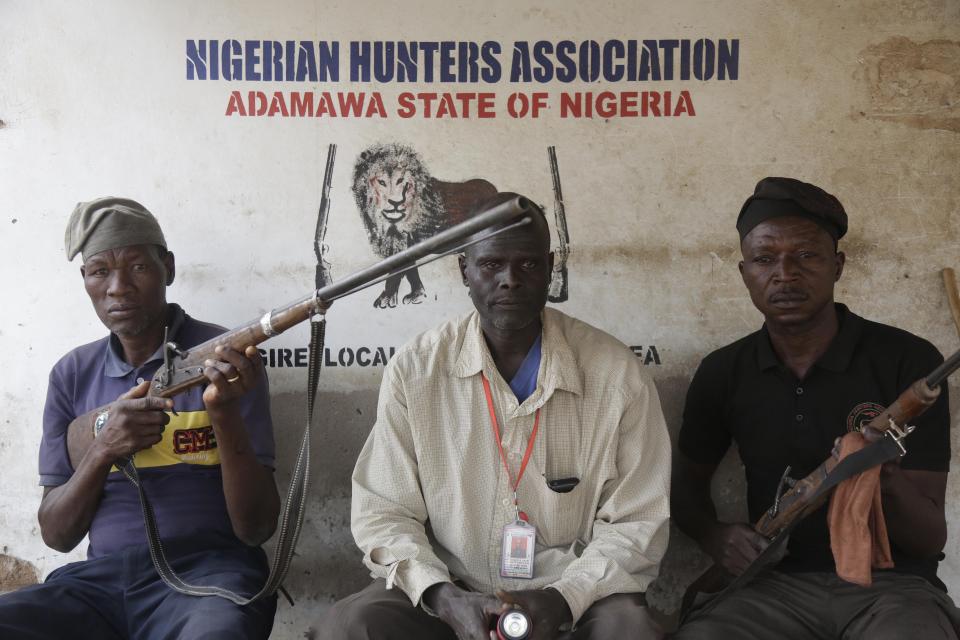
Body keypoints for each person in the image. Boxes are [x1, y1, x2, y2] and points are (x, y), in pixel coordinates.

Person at [320, 193, 671, 640]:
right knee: (353, 626)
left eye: (528, 265)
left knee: (630, 630)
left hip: (577, 597)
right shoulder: (416, 369)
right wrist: (443, 596)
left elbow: (637, 520)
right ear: (463, 269)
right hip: (453, 594)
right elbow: (384, 512)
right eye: (491, 265)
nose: (510, 280)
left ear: (550, 269)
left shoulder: (615, 373)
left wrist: (564, 597)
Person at [672, 177, 958, 639]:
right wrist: (715, 537)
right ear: (744, 273)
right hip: (770, 589)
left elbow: (929, 540)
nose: (785, 274)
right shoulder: (724, 370)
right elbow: (686, 493)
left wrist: (879, 472)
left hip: (893, 589)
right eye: (765, 259)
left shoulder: (908, 360)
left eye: (806, 255)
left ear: (838, 265)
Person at [0, 197, 280, 639]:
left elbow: (256, 528)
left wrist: (222, 411)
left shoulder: (225, 359)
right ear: (85, 281)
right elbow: (57, 535)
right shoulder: (72, 374)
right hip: (99, 587)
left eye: (137, 267)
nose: (118, 287)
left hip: (208, 578)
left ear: (167, 267)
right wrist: (105, 448)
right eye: (100, 272)